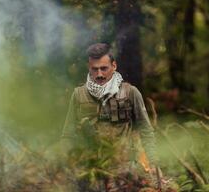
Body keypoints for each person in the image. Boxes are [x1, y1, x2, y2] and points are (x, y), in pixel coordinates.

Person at [61, 43, 158, 191]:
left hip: (124, 169)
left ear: (114, 66)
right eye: (95, 69)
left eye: (104, 68)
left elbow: (146, 130)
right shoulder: (78, 95)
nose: (99, 74)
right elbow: (68, 135)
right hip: (90, 168)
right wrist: (68, 164)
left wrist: (153, 162)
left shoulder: (131, 92)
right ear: (89, 67)